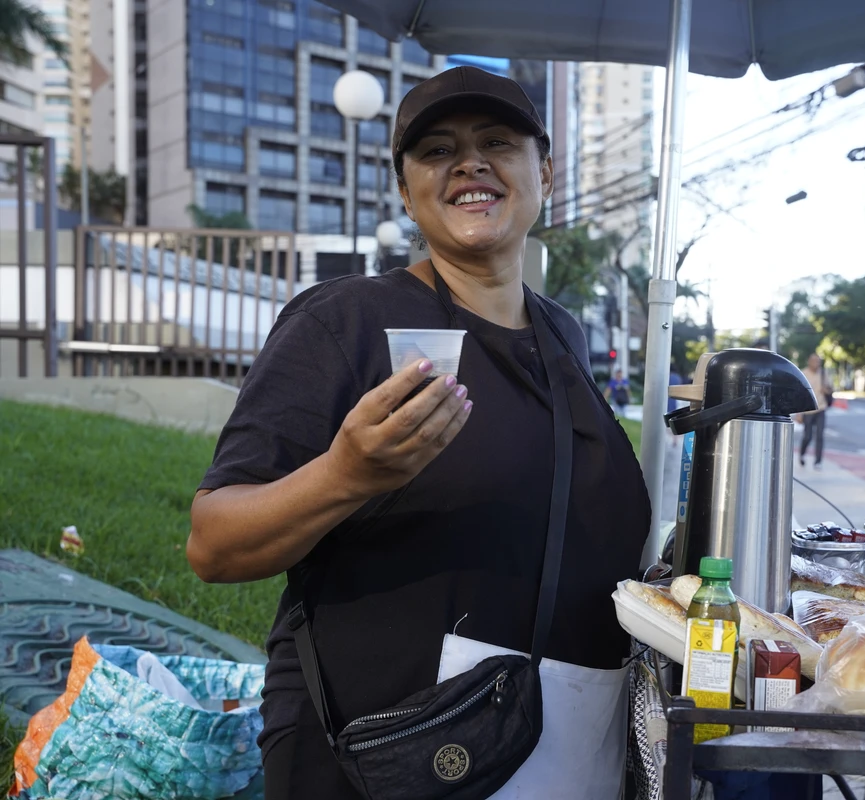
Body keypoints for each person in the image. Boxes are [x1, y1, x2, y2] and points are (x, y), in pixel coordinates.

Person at [187, 66, 651, 799]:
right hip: (383, 758)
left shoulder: (565, 334)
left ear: (546, 171)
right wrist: (346, 475)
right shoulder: (340, 324)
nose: (470, 162)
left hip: (559, 751)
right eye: (436, 151)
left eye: (497, 141)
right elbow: (213, 544)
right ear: (406, 192)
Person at [794, 354, 829, 470]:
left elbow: (830, 389)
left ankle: (818, 461)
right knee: (807, 436)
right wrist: (798, 413)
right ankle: (802, 454)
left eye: (818, 362)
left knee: (820, 436)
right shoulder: (803, 374)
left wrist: (827, 390)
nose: (817, 364)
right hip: (808, 410)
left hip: (821, 408)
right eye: (814, 361)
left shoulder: (823, 374)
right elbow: (798, 395)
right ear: (809, 362)